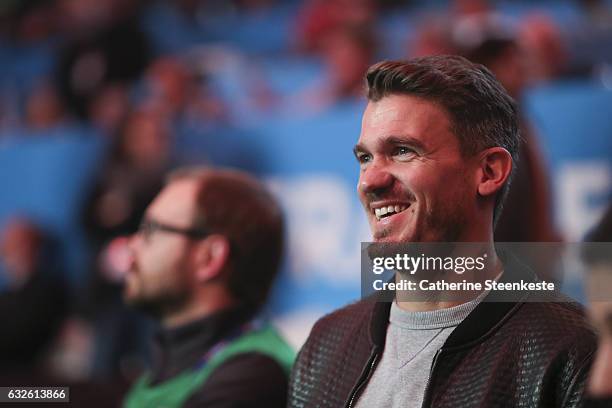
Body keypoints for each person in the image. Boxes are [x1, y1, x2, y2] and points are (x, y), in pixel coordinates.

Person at [288, 55, 596, 408]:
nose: (369, 180)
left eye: (402, 151)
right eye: (365, 158)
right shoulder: (324, 345)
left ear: (489, 172)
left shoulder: (572, 352)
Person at [123, 167, 294, 408]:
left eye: (151, 230)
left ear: (210, 257)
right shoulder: (162, 371)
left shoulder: (251, 377)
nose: (132, 244)